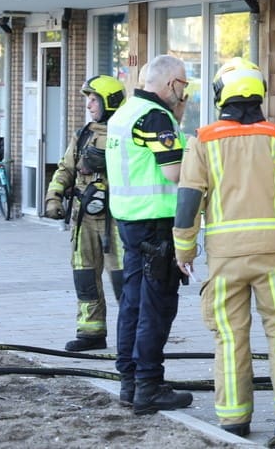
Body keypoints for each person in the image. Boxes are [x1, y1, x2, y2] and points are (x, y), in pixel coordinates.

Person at [173, 58, 275, 442]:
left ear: (220, 95)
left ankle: (234, 419)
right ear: (258, 93)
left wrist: (184, 250)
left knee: (229, 336)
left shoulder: (202, 140)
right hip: (272, 255)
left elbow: (189, 200)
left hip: (225, 258)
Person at [105, 54, 193, 415]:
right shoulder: (155, 117)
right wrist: (195, 148)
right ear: (171, 84)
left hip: (129, 222)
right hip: (156, 225)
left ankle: (130, 381)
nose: (185, 93)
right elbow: (175, 172)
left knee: (133, 303)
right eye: (184, 86)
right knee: (156, 307)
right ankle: (149, 385)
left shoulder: (126, 112)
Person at [44, 75, 126, 353]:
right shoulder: (83, 135)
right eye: (88, 99)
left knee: (123, 280)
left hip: (117, 219)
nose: (89, 105)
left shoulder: (126, 133)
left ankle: (132, 336)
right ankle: (91, 332)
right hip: (85, 219)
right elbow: (65, 168)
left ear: (109, 102)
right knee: (85, 276)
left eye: (94, 99)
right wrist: (53, 196)